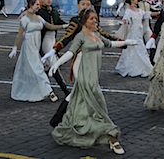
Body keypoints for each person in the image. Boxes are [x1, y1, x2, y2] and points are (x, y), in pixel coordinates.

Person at [49, 9, 135, 155]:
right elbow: (70, 52)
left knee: (91, 107)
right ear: (84, 21)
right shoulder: (80, 37)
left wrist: (127, 42)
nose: (95, 21)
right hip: (84, 76)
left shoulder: (96, 35)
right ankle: (110, 136)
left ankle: (89, 130)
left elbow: (109, 43)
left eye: (95, 19)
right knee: (97, 105)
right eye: (91, 19)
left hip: (94, 76)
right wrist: (56, 64)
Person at [10, 0, 65, 102]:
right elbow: (19, 34)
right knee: (38, 68)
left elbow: (50, 26)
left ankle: (36, 89)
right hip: (29, 46)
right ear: (31, 5)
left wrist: (65, 26)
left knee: (33, 68)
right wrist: (15, 47)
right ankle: (49, 91)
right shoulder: (25, 19)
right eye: (36, 5)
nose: (38, 7)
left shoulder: (39, 18)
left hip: (36, 45)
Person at [37, 0, 70, 94]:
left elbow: (58, 21)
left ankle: (43, 87)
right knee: (53, 63)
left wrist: (70, 25)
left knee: (47, 66)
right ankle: (64, 89)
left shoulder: (54, 11)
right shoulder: (40, 12)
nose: (49, 0)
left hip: (53, 39)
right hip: (45, 39)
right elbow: (49, 26)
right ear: (42, 0)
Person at [115, 0, 153, 78]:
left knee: (139, 47)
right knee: (133, 47)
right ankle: (131, 67)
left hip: (139, 31)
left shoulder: (139, 10)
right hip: (133, 32)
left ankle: (142, 66)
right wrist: (124, 21)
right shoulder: (128, 11)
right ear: (132, 1)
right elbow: (125, 18)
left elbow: (146, 14)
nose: (136, 0)